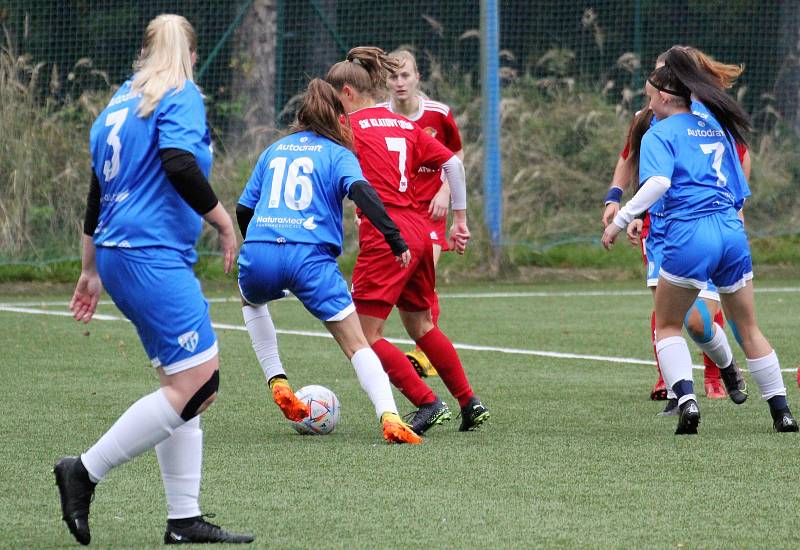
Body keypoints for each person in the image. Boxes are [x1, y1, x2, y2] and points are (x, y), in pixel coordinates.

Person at [55, 14, 253, 545]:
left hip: (121, 256)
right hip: (150, 255)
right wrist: (222, 219)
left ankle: (183, 520)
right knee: (201, 383)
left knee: (180, 383)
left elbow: (96, 196)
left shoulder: (119, 102)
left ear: (143, 53)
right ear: (189, 55)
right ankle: (84, 470)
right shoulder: (179, 93)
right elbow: (178, 161)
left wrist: (90, 268)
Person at [602, 46, 798, 434]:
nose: (647, 103)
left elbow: (658, 182)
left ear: (662, 96)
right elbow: (738, 192)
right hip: (731, 232)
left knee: (669, 324)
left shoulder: (660, 132)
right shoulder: (717, 126)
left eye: (648, 95)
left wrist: (621, 217)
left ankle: (687, 401)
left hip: (692, 234)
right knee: (749, 327)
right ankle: (782, 411)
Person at [235, 78, 420, 445]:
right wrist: (395, 238)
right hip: (310, 258)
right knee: (356, 344)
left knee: (251, 300)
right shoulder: (338, 154)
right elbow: (362, 192)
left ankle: (278, 379)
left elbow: (244, 208)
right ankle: (391, 417)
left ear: (301, 115)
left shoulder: (274, 150)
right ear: (339, 118)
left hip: (260, 247)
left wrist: (258, 247)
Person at [325, 46, 489, 435]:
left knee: (364, 335)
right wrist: (460, 219)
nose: (332, 110)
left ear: (347, 93)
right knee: (421, 324)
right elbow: (453, 163)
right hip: (417, 230)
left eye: (334, 101)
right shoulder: (402, 124)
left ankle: (427, 402)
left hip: (386, 236)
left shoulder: (349, 129)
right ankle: (470, 402)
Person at [380, 49, 465, 378]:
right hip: (395, 209)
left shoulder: (438, 114)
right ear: (385, 81)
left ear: (417, 78)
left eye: (405, 75)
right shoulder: (379, 116)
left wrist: (446, 190)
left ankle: (424, 352)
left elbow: (454, 154)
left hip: (430, 208)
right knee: (403, 281)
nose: (399, 82)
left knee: (423, 270)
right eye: (392, 76)